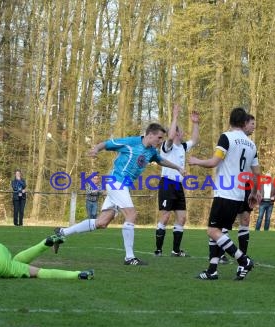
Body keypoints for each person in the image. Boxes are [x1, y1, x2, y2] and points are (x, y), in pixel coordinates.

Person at [50, 123, 186, 265]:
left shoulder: (151, 151)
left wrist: (178, 167)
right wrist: (96, 149)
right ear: (150, 135)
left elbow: (161, 160)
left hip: (122, 186)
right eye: (159, 138)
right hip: (116, 181)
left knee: (102, 222)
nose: (160, 141)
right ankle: (129, 257)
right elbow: (107, 144)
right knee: (131, 214)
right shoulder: (131, 142)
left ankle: (62, 232)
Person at [188, 107, 261, 281]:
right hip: (238, 194)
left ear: (230, 121)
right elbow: (257, 173)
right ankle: (212, 270)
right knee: (219, 231)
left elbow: (214, 162)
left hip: (225, 193)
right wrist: (253, 192)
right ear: (244, 123)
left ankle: (243, 260)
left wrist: (196, 161)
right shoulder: (252, 145)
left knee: (212, 231)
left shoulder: (226, 137)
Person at [154, 104, 200, 257]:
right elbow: (170, 136)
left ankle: (175, 251)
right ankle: (158, 250)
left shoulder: (183, 147)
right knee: (165, 216)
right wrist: (174, 116)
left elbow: (195, 139)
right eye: (179, 131)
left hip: (178, 185)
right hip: (167, 183)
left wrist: (195, 123)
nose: (182, 133)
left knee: (182, 217)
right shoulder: (167, 147)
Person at [219, 113, 258, 264]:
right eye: (251, 124)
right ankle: (220, 254)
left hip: (246, 185)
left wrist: (256, 189)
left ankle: (243, 256)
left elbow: (255, 170)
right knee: (224, 222)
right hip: (229, 185)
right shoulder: (230, 138)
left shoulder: (251, 145)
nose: (253, 127)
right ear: (243, 123)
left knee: (245, 219)